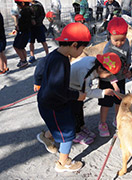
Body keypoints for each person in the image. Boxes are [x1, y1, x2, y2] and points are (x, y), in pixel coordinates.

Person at [36, 23, 90, 172]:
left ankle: (46, 137)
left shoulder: (55, 54)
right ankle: (63, 163)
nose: (82, 52)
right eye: (82, 49)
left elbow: (45, 75)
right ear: (74, 45)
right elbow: (58, 90)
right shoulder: (62, 61)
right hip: (54, 104)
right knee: (68, 133)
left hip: (47, 100)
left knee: (58, 124)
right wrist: (76, 95)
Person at [70, 52, 121, 144]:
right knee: (74, 110)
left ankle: (81, 127)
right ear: (100, 68)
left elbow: (85, 89)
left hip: (78, 86)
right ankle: (75, 133)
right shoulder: (86, 72)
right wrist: (103, 92)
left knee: (79, 107)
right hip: (70, 87)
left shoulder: (97, 64)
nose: (109, 77)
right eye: (108, 75)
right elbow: (87, 92)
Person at [98, 17, 131, 137]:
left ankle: (117, 120)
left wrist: (127, 67)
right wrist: (114, 85)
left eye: (122, 39)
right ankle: (102, 123)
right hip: (108, 80)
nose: (119, 43)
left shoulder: (126, 43)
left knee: (119, 101)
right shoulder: (108, 49)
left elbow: (128, 55)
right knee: (106, 103)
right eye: (116, 40)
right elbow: (108, 71)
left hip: (120, 77)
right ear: (109, 35)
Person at [13, 0, 33, 68]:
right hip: (26, 31)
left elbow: (23, 23)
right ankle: (24, 60)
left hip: (23, 31)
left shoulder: (25, 12)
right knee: (21, 47)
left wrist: (16, 21)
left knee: (16, 46)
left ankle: (23, 60)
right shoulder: (29, 10)